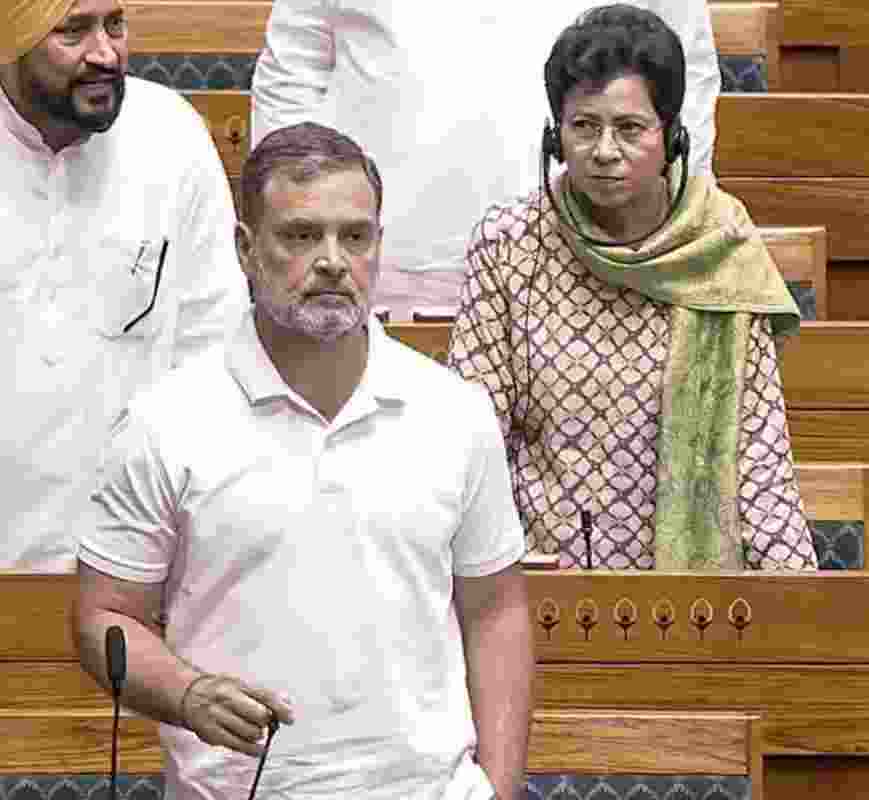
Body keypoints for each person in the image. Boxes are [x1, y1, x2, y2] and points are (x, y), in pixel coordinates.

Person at [73, 122, 533, 800]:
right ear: (244, 249)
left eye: (356, 236)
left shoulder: (455, 413)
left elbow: (496, 613)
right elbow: (102, 618)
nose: (331, 260)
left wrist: (500, 788)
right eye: (299, 235)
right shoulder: (163, 422)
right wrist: (187, 693)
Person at [450, 5, 817, 571]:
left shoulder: (720, 248)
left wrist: (798, 621)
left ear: (671, 136)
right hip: (535, 585)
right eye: (584, 126)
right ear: (555, 136)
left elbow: (759, 460)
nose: (603, 151)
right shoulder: (509, 246)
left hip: (692, 606)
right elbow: (472, 439)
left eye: (629, 129)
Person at [250, 0, 721, 319]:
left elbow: (685, 78)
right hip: (371, 277)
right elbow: (293, 71)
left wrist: (658, 239)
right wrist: (296, 238)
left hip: (590, 278)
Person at [0, 0, 246, 571]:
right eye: (73, 31)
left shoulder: (170, 135)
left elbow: (215, 345)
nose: (105, 54)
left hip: (134, 556)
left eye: (115, 25)